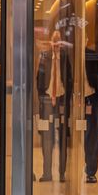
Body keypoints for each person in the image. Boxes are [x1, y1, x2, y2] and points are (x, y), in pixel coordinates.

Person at [36, 30, 73, 183]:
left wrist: (68, 99)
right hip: (46, 99)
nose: (57, 44)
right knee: (47, 137)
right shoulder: (44, 56)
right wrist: (41, 97)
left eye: (59, 40)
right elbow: (39, 78)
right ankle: (47, 173)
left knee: (63, 137)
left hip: (62, 99)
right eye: (54, 40)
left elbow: (69, 79)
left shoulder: (65, 57)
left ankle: (62, 173)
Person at [83, 45, 98, 183]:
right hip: (71, 99)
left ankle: (91, 171)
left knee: (92, 136)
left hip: (90, 99)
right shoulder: (66, 55)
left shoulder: (95, 57)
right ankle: (63, 172)